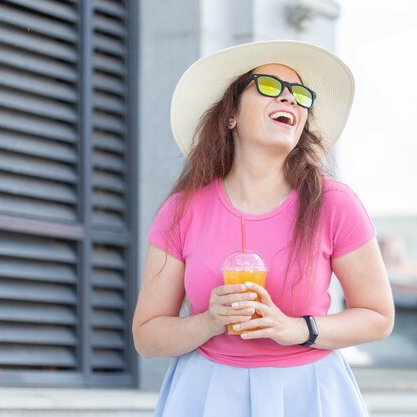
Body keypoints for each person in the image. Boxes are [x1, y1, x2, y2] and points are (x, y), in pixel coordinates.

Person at [132, 40, 395, 417]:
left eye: (300, 94)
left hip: (309, 393)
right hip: (207, 393)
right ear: (230, 115)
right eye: (270, 86)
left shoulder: (334, 203)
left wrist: (296, 329)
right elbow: (147, 336)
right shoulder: (182, 210)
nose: (290, 99)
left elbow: (379, 316)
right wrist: (209, 321)